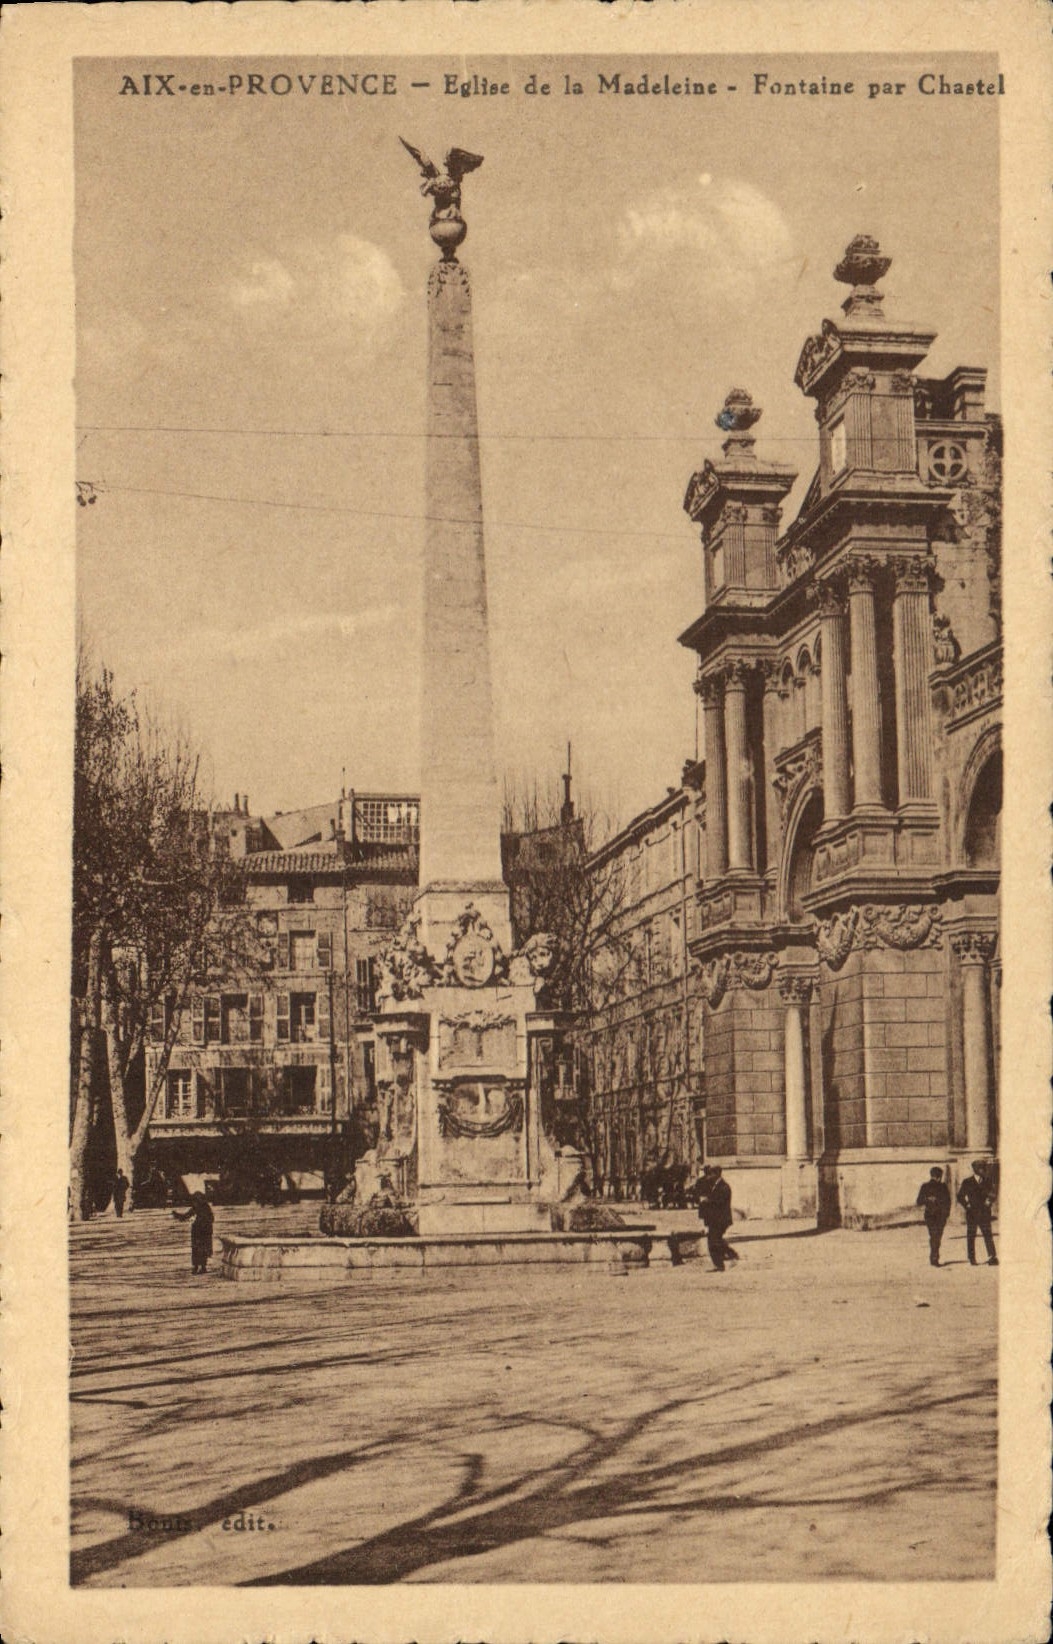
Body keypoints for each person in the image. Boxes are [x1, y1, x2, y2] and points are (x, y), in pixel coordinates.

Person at [957, 1159, 997, 1266]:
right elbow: (960, 1196)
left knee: (988, 1235)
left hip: (985, 1212)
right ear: (975, 1169)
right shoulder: (967, 1182)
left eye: (983, 1168)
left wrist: (990, 1200)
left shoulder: (987, 1181)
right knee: (971, 1235)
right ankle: (972, 1258)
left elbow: (993, 1193)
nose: (982, 1170)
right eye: (980, 1168)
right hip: (972, 1213)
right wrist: (967, 1205)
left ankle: (992, 1257)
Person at [698, 1165, 739, 1272]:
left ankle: (726, 1259)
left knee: (713, 1241)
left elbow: (719, 1202)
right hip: (715, 1219)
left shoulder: (724, 1187)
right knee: (716, 1240)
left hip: (721, 1219)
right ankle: (726, 1259)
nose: (709, 1176)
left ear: (716, 1174)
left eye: (711, 1174)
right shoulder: (715, 1185)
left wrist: (707, 1201)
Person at [915, 1167, 951, 1266]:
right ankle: (934, 1257)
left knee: (934, 1236)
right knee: (936, 1236)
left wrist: (926, 1199)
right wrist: (946, 1214)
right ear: (939, 1176)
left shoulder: (925, 1186)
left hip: (930, 1215)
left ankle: (934, 1256)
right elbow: (948, 1202)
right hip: (939, 1216)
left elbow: (919, 1201)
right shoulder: (943, 1187)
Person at [173, 1191, 215, 1275]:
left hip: (202, 1231)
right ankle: (197, 1267)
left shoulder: (204, 1207)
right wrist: (177, 1215)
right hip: (199, 1231)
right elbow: (186, 1216)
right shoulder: (200, 1207)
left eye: (195, 1201)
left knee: (201, 1249)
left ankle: (202, 1267)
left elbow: (210, 1219)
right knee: (197, 1249)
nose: (193, 1203)